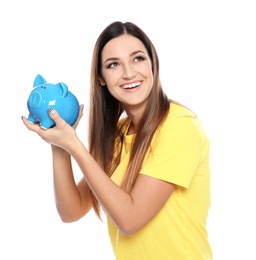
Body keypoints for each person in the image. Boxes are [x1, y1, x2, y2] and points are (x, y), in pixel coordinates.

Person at [22, 21, 212, 259]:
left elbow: (130, 220)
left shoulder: (180, 126)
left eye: (138, 58)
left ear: (153, 63)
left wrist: (75, 146)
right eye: (113, 65)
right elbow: (71, 210)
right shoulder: (117, 135)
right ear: (101, 78)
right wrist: (59, 144)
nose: (129, 73)